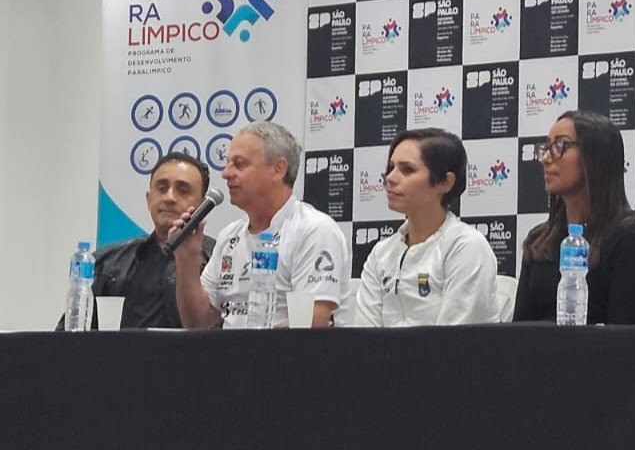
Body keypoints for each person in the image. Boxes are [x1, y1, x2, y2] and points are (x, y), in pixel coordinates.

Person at [173, 122, 350, 328]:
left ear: (278, 169)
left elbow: (313, 320)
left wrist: (248, 345)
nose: (226, 173)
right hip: (231, 348)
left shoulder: (313, 230)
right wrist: (186, 259)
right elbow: (197, 324)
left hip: (289, 350)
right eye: (227, 163)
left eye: (239, 164)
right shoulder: (229, 236)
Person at [514, 110, 635, 324]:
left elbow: (625, 338)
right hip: (537, 347)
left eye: (560, 146)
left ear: (595, 157)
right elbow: (518, 332)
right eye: (546, 147)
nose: (545, 158)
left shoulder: (627, 239)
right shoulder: (540, 239)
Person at [354, 129, 499, 326]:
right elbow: (364, 335)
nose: (390, 178)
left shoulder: (467, 247)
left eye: (407, 170)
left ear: (445, 182)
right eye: (391, 167)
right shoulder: (381, 253)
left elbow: (457, 339)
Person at [55, 153, 215, 330]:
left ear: (202, 205)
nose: (169, 197)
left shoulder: (219, 260)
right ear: (148, 199)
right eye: (162, 188)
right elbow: (71, 335)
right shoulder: (107, 263)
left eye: (183, 190)